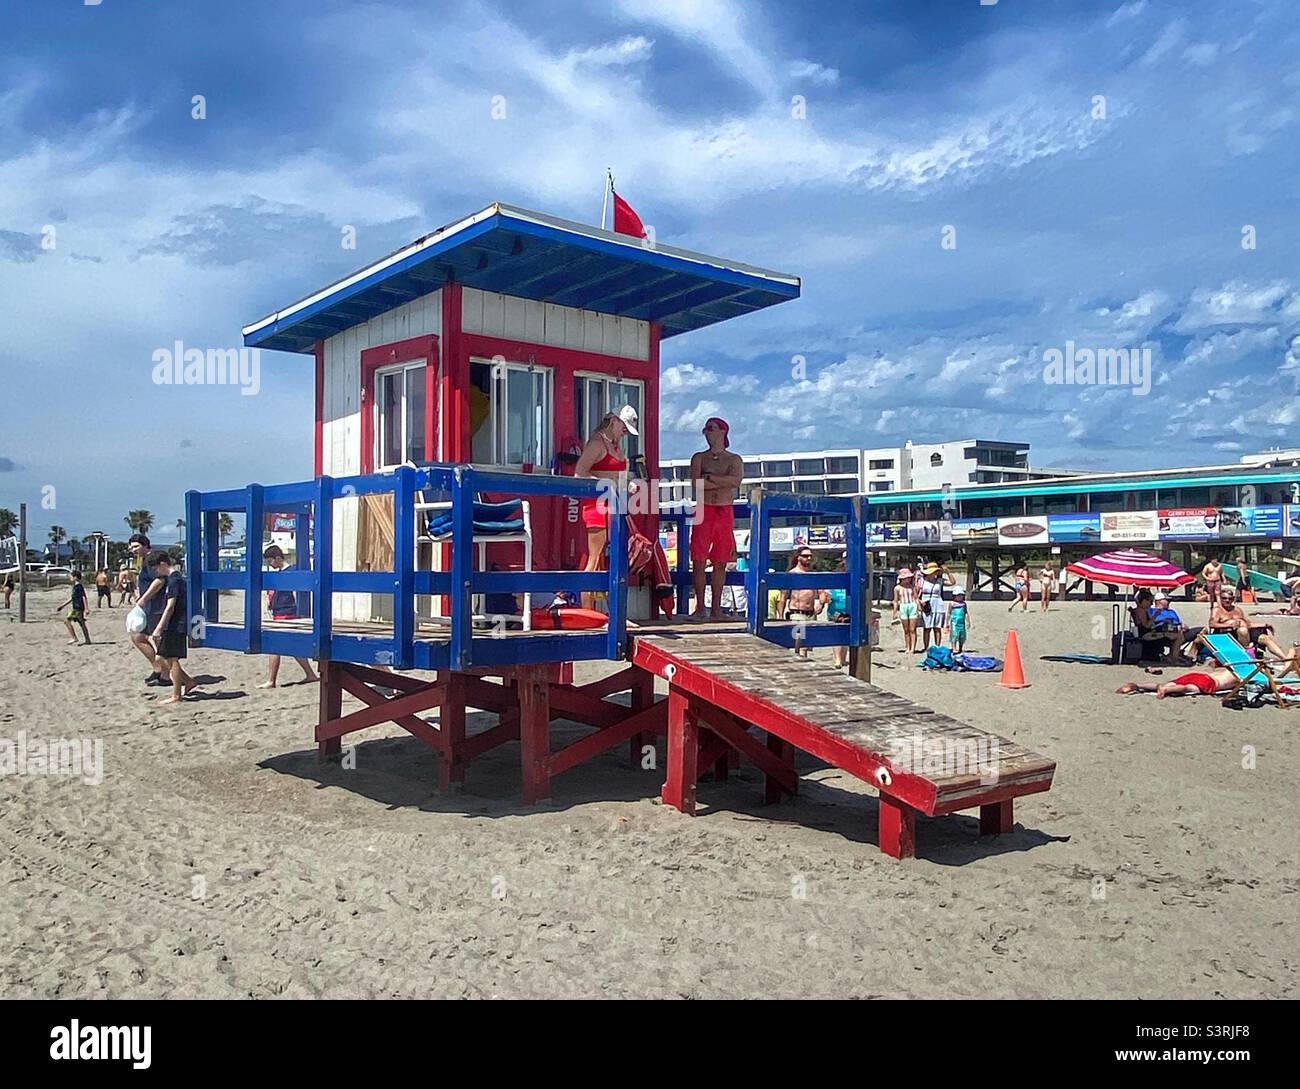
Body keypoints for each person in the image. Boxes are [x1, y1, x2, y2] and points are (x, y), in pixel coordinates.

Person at [574, 406, 640, 611]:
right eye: (624, 427)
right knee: (594, 558)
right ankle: (588, 612)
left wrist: (628, 484)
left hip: (615, 505)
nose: (625, 432)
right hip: (597, 505)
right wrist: (605, 483)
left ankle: (614, 614)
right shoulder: (597, 444)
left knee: (614, 559)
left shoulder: (616, 446)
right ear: (614, 421)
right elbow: (579, 473)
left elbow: (618, 476)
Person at [688, 416, 743, 620]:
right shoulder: (699, 458)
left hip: (724, 509)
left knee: (721, 560)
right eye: (706, 430)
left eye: (711, 429)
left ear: (722, 431)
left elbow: (736, 481)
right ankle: (700, 607)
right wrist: (723, 481)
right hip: (705, 509)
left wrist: (710, 478)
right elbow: (697, 483)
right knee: (699, 559)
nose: (707, 433)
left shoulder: (734, 459)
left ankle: (717, 609)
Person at [259, 545, 319, 688]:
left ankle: (271, 680)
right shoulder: (281, 573)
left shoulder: (291, 572)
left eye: (270, 561)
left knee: (274, 645)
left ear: (277, 558)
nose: (269, 564)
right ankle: (310, 674)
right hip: (281, 611)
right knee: (294, 647)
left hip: (286, 612)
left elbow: (297, 593)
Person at [148, 551, 195, 705]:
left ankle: (176, 695)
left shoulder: (175, 580)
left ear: (162, 564)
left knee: (172, 659)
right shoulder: (174, 579)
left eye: (156, 568)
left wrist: (159, 627)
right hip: (174, 623)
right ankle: (188, 681)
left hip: (176, 624)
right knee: (161, 657)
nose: (156, 572)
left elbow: (170, 606)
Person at [129, 534, 168, 686]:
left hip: (157, 607)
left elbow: (160, 580)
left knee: (157, 641)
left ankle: (166, 675)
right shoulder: (144, 560)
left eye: (136, 546)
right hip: (149, 607)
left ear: (145, 545)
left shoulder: (151, 559)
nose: (133, 550)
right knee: (138, 636)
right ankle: (158, 668)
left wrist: (144, 598)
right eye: (131, 547)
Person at [779, 546, 824, 659]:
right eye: (805, 556)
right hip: (797, 613)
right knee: (800, 644)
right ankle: (801, 663)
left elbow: (822, 591)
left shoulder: (813, 574)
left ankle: (802, 661)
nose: (808, 558)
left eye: (810, 556)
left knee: (807, 644)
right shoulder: (791, 574)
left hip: (811, 613)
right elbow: (783, 596)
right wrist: (780, 616)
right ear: (798, 557)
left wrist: (821, 604)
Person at [1131, 589, 1187, 661]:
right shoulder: (1141, 611)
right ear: (1144, 601)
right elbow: (1146, 626)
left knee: (1177, 634)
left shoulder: (1142, 610)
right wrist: (1155, 616)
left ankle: (1172, 656)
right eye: (1150, 601)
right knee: (1179, 637)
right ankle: (1173, 658)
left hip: (1151, 632)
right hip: (1147, 635)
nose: (1151, 604)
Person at [1116, 667, 1239, 699]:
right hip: (1209, 682)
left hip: (1197, 674)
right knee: (1187, 688)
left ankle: (1138, 685)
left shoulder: (1227, 667)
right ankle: (1166, 690)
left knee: (1168, 683)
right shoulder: (1241, 675)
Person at [917, 561, 954, 649]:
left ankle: (937, 647)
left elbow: (952, 582)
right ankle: (926, 647)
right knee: (927, 627)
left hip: (938, 603)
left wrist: (948, 572)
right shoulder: (922, 581)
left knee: (937, 628)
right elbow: (915, 593)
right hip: (927, 603)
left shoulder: (940, 581)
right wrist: (919, 601)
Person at [827, 554, 850, 668]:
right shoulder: (835, 575)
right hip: (835, 610)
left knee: (846, 635)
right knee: (836, 635)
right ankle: (837, 659)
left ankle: (843, 658)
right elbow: (827, 592)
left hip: (848, 609)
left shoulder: (854, 574)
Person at [892, 567, 919, 654]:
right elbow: (896, 601)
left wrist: (919, 607)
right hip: (903, 606)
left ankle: (913, 648)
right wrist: (894, 612)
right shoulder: (897, 588)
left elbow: (916, 598)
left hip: (912, 605)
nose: (908, 579)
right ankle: (907, 647)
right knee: (906, 630)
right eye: (906, 578)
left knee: (912, 629)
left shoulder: (912, 587)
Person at [61, 570, 91, 646]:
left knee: (66, 621)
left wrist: (87, 608)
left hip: (78, 608)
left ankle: (74, 638)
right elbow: (72, 598)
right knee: (82, 623)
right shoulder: (75, 587)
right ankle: (87, 640)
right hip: (77, 607)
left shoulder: (79, 586)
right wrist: (62, 606)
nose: (70, 578)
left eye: (71, 577)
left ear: (75, 577)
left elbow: (84, 597)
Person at [949, 585, 971, 653]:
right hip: (954, 622)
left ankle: (960, 647)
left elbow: (966, 613)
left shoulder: (963, 604)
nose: (959, 597)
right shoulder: (952, 603)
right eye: (958, 595)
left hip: (962, 622)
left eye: (961, 595)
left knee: (962, 635)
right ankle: (954, 648)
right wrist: (947, 622)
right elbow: (949, 613)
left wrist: (968, 621)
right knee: (954, 635)